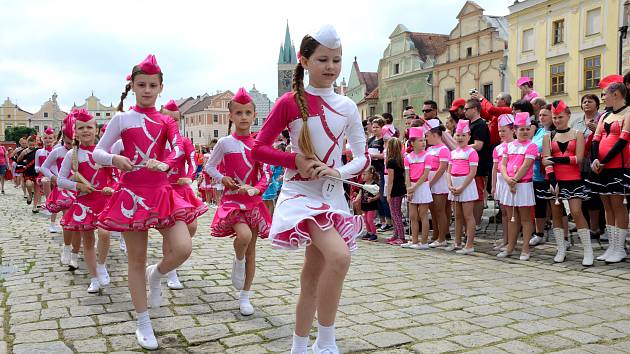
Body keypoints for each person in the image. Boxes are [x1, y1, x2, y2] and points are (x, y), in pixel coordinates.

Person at [251, 24, 368, 354]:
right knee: (340, 257)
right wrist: (294, 160)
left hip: (332, 195)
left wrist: (337, 171)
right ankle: (326, 341)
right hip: (300, 195)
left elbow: (361, 157)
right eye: (322, 60)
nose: (330, 67)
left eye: (336, 60)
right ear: (303, 61)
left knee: (312, 276)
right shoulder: (290, 102)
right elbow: (258, 148)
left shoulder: (346, 106)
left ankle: (299, 346)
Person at [93, 54, 200, 350]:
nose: (147, 90)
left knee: (183, 247)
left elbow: (179, 146)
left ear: (161, 87)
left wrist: (165, 163)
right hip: (131, 194)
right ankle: (143, 322)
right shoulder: (121, 119)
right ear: (133, 86)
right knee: (136, 259)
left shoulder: (166, 120)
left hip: (162, 192)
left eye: (153, 85)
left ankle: (159, 273)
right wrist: (115, 158)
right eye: (142, 84)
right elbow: (98, 153)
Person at [205, 87, 271, 316]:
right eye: (239, 113)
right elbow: (209, 166)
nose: (243, 117)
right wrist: (223, 178)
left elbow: (266, 174)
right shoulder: (224, 143)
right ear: (231, 116)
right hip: (232, 202)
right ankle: (237, 258)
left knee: (252, 249)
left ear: (254, 115)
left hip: (252, 201)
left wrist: (256, 188)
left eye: (248, 113)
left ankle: (245, 296)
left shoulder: (260, 143)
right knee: (243, 237)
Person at [57, 109, 113, 292]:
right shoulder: (72, 155)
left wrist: (110, 187)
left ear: (96, 130)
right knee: (88, 241)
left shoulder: (104, 153)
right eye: (81, 128)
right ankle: (94, 278)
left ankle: (102, 264)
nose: (86, 131)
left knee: (104, 234)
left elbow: (116, 176)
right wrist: (78, 187)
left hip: (104, 201)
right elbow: (60, 180)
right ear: (75, 132)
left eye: (89, 127)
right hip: (84, 203)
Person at [162, 99, 209, 289]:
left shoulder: (184, 141)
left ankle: (173, 260)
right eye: (168, 118)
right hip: (164, 192)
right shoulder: (157, 143)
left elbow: (192, 160)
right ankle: (170, 271)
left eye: (175, 119)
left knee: (192, 226)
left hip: (181, 189)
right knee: (170, 232)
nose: (172, 121)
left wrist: (189, 177)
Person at [542, 100, 593, 266]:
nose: (557, 120)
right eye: (555, 117)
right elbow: (545, 161)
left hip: (573, 179)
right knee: (557, 213)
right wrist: (552, 180)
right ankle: (561, 248)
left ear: (568, 116)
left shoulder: (578, 133)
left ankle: (587, 250)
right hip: (555, 180)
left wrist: (555, 159)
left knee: (576, 212)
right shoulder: (548, 136)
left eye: (560, 117)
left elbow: (578, 159)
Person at [588, 82, 630, 264]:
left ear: (617, 94)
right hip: (602, 167)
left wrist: (604, 161)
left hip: (618, 165)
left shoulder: (628, 113)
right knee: (607, 205)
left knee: (617, 204)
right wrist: (596, 159)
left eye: (605, 94)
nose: (603, 97)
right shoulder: (605, 115)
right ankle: (612, 246)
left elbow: (623, 140)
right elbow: (596, 139)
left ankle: (620, 248)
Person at [499, 112, 537, 260]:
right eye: (521, 129)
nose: (525, 132)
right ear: (515, 130)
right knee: (511, 217)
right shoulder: (508, 146)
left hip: (523, 185)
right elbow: (503, 165)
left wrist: (514, 180)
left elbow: (526, 166)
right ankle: (510, 246)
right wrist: (508, 179)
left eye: (527, 129)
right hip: (509, 184)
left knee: (526, 218)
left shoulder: (531, 146)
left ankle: (526, 248)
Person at [42, 116, 78, 264]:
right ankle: (67, 247)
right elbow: (44, 166)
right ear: (63, 137)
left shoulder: (83, 150)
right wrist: (53, 177)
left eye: (73, 142)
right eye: (68, 142)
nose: (70, 146)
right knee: (68, 219)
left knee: (79, 221)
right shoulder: (57, 151)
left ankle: (75, 251)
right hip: (64, 188)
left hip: (80, 189)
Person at [446, 120, 478, 254]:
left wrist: (462, 187)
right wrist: (450, 185)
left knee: (468, 216)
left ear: (469, 137)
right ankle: (457, 242)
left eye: (463, 135)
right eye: (458, 135)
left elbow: (472, 172)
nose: (460, 138)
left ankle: (469, 244)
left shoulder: (471, 152)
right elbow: (448, 171)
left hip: (466, 185)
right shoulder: (453, 153)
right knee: (457, 216)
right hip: (454, 185)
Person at [464, 99, 492, 229]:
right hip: (470, 164)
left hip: (479, 165)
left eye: (466, 109)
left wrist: (462, 147)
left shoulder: (480, 124)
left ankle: (476, 223)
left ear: (475, 109)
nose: (464, 111)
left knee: (477, 195)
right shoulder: (470, 124)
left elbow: (478, 145)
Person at [403, 126, 432, 249]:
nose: (423, 142)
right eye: (420, 140)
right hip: (412, 187)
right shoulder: (408, 157)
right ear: (412, 143)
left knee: (423, 215)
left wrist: (414, 188)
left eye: (424, 140)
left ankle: (424, 242)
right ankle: (414, 240)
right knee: (413, 216)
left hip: (422, 186)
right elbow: (407, 175)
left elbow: (425, 174)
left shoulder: (427, 156)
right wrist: (409, 189)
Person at [491, 114, 515, 251]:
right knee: (504, 213)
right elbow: (495, 168)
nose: (501, 134)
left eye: (504, 130)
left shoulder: (515, 146)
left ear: (513, 130)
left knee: (511, 213)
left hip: (510, 181)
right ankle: (505, 239)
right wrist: (493, 185)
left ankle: (511, 241)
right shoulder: (498, 148)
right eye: (499, 131)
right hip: (500, 181)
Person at [425, 119, 450, 247]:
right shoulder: (430, 149)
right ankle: (435, 234)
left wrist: (431, 182)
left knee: (440, 210)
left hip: (439, 183)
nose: (426, 138)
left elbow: (442, 168)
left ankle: (442, 237)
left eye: (427, 135)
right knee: (433, 211)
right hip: (430, 181)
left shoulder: (443, 149)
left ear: (435, 135)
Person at [367, 117, 392, 232]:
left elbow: (386, 155)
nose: (375, 129)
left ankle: (388, 221)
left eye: (377, 127)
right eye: (373, 127)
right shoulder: (371, 140)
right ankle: (381, 220)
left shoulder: (385, 140)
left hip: (382, 169)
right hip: (373, 170)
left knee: (383, 196)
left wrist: (375, 156)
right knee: (376, 196)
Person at [385, 138, 407, 245]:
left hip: (394, 190)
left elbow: (390, 180)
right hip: (401, 188)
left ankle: (401, 237)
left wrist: (388, 194)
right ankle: (396, 234)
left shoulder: (390, 161)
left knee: (395, 214)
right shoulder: (400, 160)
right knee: (396, 213)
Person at [34, 127, 56, 215]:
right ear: (42, 139)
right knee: (45, 181)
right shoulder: (39, 151)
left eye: (50, 138)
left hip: (54, 174)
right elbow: (36, 165)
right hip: (42, 175)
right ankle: (48, 204)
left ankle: (52, 203)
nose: (48, 140)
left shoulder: (56, 151)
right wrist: (38, 169)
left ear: (54, 139)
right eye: (46, 138)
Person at [16, 136, 39, 208]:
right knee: (28, 184)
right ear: (27, 144)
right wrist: (23, 160)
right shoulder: (24, 151)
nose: (32, 146)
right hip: (28, 170)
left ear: (35, 143)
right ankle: (30, 195)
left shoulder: (38, 150)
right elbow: (18, 160)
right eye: (30, 145)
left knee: (36, 189)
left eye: (33, 145)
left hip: (36, 170)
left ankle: (34, 206)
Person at [358, 166, 380, 241]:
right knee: (365, 220)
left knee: (370, 219)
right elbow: (360, 193)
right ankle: (369, 232)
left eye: (365, 174)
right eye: (362, 174)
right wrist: (356, 200)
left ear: (371, 175)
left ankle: (374, 234)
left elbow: (378, 194)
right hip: (364, 204)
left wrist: (373, 199)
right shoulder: (363, 184)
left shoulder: (374, 184)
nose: (362, 176)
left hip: (371, 205)